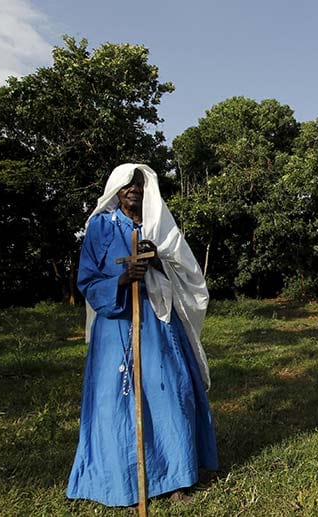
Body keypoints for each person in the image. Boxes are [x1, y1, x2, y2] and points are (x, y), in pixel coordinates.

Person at [67, 164, 217, 507]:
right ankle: (120, 481)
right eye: (127, 184)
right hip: (115, 322)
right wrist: (121, 280)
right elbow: (87, 281)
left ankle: (176, 477)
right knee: (114, 402)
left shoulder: (158, 225)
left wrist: (157, 260)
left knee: (169, 392)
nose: (133, 189)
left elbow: (186, 270)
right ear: (116, 190)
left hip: (156, 320)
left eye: (139, 184)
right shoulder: (100, 227)